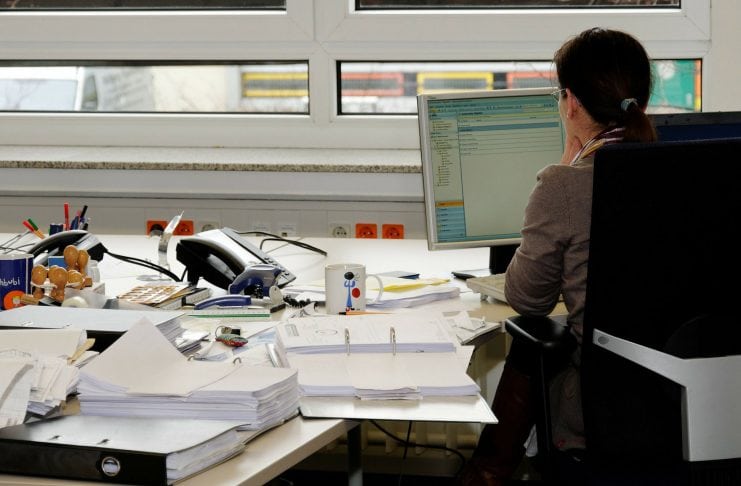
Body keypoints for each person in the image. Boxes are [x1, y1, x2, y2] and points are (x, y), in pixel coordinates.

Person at [459, 27, 657, 485]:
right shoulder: (682, 170)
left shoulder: (565, 184)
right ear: (641, 101)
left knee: (535, 345)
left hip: (599, 407)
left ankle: (487, 473)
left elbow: (528, 298)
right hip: (685, 396)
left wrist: (565, 169)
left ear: (571, 103)